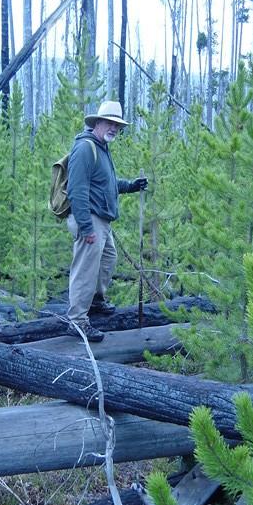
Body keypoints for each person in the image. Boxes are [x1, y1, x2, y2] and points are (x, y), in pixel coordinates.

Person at [65, 100, 148, 342]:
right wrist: (86, 227)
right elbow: (76, 190)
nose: (114, 128)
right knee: (85, 269)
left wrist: (131, 186)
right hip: (89, 218)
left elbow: (107, 184)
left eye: (117, 125)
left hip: (101, 219)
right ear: (98, 122)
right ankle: (78, 321)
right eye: (110, 123)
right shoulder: (85, 149)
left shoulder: (101, 148)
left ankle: (95, 301)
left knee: (108, 258)